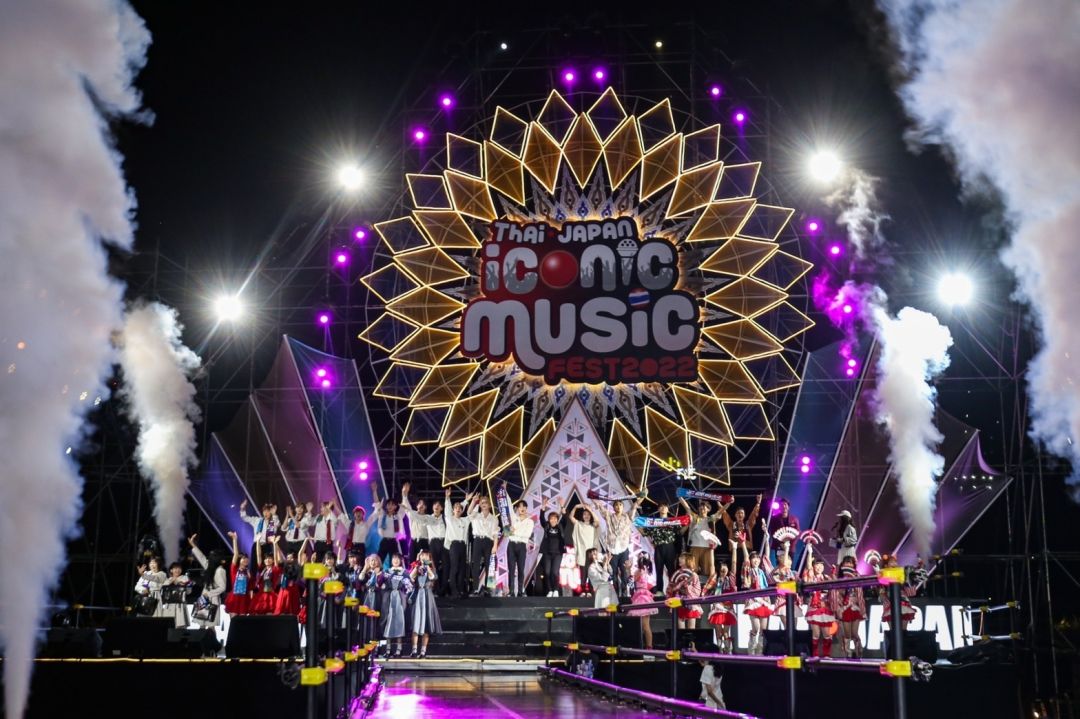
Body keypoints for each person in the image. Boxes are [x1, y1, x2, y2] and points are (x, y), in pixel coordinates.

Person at [594, 496, 643, 597]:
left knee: (624, 572)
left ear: (623, 507)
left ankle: (624, 594)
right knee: (613, 573)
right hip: (611, 549)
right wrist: (592, 497)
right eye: (616, 505)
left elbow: (635, 505)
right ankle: (615, 595)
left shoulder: (627, 516)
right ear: (613, 507)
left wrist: (642, 496)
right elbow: (600, 506)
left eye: (620, 505)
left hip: (623, 549)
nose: (618, 506)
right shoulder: (609, 516)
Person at [188, 534, 228, 631]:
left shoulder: (220, 570)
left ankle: (212, 641)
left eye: (212, 556)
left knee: (210, 625)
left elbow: (222, 587)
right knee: (201, 622)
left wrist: (209, 593)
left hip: (212, 599)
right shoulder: (209, 567)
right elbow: (201, 557)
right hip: (204, 597)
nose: (209, 558)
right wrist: (193, 545)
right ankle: (200, 641)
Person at [802, 546, 836, 658]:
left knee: (827, 634)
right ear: (813, 566)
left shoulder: (826, 577)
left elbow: (834, 590)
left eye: (821, 565)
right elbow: (808, 566)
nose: (819, 567)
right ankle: (815, 655)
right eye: (817, 565)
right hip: (814, 607)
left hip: (825, 607)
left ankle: (827, 654)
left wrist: (833, 575)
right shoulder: (811, 577)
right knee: (815, 634)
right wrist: (810, 552)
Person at [678, 496, 722, 579]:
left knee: (707, 571)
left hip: (707, 548)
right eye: (700, 507)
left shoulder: (711, 519)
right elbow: (686, 507)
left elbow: (721, 511)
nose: (702, 509)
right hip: (695, 546)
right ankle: (692, 585)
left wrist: (729, 503)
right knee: (692, 569)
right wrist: (680, 497)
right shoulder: (695, 517)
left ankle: (706, 586)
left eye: (704, 507)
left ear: (708, 509)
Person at [640, 503, 679, 595]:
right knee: (658, 570)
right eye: (661, 506)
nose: (663, 508)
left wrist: (688, 524)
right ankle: (660, 591)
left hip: (669, 547)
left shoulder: (672, 521)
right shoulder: (654, 522)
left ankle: (674, 590)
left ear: (668, 509)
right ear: (658, 509)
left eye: (665, 506)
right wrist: (636, 525)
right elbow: (645, 533)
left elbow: (680, 532)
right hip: (658, 548)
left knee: (671, 570)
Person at [409, 549, 442, 658]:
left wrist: (428, 567)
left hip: (427, 596)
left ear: (429, 558)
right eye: (422, 555)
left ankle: (423, 651)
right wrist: (417, 565)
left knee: (426, 624)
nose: (424, 557)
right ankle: (414, 650)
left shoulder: (431, 568)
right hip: (418, 595)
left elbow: (433, 577)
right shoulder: (416, 567)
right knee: (416, 622)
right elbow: (411, 577)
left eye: (426, 556)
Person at [833, 555, 867, 658]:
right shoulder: (839, 578)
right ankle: (847, 653)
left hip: (855, 608)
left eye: (850, 563)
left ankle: (859, 651)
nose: (848, 564)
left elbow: (860, 594)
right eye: (846, 562)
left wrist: (861, 608)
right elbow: (837, 594)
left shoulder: (857, 576)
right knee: (847, 634)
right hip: (844, 608)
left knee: (855, 633)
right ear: (842, 565)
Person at [467, 492, 499, 596]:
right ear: (480, 505)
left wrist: (495, 545)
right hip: (477, 541)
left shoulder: (494, 518)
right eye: (482, 503)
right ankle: (475, 589)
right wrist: (474, 501)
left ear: (489, 505)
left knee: (489, 565)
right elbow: (469, 512)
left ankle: (487, 589)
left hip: (488, 541)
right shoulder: (476, 515)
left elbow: (495, 533)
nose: (484, 504)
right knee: (475, 565)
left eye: (486, 502)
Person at [382, 553, 413, 658]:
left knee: (400, 622)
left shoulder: (404, 572)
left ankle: (399, 649)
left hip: (400, 598)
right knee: (388, 621)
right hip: (389, 598)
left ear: (400, 561)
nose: (395, 560)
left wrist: (405, 593)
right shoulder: (387, 572)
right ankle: (388, 649)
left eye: (397, 559)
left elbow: (410, 587)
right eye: (394, 558)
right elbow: (381, 583)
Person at [504, 495, 536, 597]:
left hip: (522, 546)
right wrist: (505, 492)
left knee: (521, 569)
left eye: (523, 506)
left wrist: (514, 530)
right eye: (519, 506)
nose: (521, 508)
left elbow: (527, 534)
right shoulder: (514, 518)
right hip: (511, 545)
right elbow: (509, 506)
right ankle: (511, 591)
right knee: (511, 569)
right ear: (517, 509)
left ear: (526, 508)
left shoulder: (530, 521)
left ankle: (520, 591)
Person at [443, 488, 472, 598]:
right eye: (456, 508)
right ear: (453, 510)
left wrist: (469, 501)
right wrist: (447, 498)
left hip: (463, 545)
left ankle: (461, 590)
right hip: (454, 545)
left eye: (460, 508)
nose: (458, 509)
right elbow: (447, 509)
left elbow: (471, 515)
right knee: (454, 568)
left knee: (462, 568)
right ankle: (453, 590)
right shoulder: (450, 519)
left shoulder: (465, 520)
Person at [721, 494, 762, 570]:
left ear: (744, 515)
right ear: (735, 515)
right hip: (735, 551)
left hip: (747, 550)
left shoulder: (748, 524)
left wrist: (758, 503)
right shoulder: (731, 524)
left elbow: (754, 514)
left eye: (742, 513)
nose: (740, 514)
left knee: (747, 570)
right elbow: (724, 513)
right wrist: (718, 502)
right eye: (738, 513)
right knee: (735, 570)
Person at [742, 551, 771, 655]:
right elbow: (747, 583)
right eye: (753, 558)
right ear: (750, 560)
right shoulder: (748, 571)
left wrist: (767, 543)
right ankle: (751, 649)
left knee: (763, 629)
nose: (756, 560)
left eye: (758, 558)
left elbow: (767, 557)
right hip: (753, 599)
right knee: (756, 627)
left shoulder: (762, 571)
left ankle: (760, 652)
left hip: (764, 599)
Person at [626, 553, 658, 650]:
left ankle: (647, 648)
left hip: (641, 598)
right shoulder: (646, 571)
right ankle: (647, 647)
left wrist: (628, 569)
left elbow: (630, 582)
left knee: (644, 626)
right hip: (644, 596)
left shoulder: (640, 571)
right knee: (645, 626)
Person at [706, 558, 738, 654]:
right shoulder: (715, 580)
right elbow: (711, 566)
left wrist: (734, 550)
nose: (724, 570)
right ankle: (720, 650)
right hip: (717, 608)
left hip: (728, 608)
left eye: (725, 567)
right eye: (721, 568)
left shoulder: (731, 579)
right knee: (719, 632)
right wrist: (711, 551)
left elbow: (734, 563)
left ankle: (728, 650)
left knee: (726, 632)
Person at [879, 554, 917, 631]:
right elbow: (881, 596)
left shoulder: (902, 574)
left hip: (903, 605)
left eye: (895, 562)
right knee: (892, 632)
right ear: (886, 565)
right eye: (891, 562)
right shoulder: (882, 576)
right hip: (889, 606)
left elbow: (912, 593)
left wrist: (910, 578)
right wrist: (882, 595)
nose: (894, 564)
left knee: (903, 631)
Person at [568, 503, 601, 590]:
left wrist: (590, 509)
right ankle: (583, 592)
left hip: (591, 554)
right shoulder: (579, 524)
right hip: (582, 554)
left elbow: (597, 521)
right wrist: (575, 506)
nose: (586, 516)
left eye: (588, 514)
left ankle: (591, 593)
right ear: (582, 516)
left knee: (592, 575)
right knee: (583, 576)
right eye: (584, 514)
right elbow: (571, 517)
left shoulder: (593, 526)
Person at [538, 497, 566, 597]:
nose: (553, 520)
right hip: (547, 553)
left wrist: (562, 506)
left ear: (557, 520)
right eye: (551, 518)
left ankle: (556, 590)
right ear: (549, 520)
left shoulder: (561, 526)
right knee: (547, 572)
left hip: (558, 553)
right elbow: (541, 518)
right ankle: (550, 590)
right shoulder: (546, 526)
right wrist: (543, 506)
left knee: (555, 572)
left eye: (555, 518)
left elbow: (565, 517)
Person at [667, 552, 703, 630]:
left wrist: (688, 587)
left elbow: (697, 590)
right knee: (681, 627)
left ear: (688, 560)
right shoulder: (677, 574)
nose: (679, 559)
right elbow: (671, 587)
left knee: (691, 627)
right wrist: (676, 587)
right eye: (680, 557)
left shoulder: (693, 575)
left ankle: (691, 638)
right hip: (679, 601)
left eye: (682, 558)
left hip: (691, 602)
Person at [250, 536, 283, 615]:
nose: (267, 560)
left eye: (269, 558)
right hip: (260, 595)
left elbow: (276, 558)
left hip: (270, 596)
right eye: (266, 559)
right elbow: (258, 555)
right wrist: (258, 541)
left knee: (269, 615)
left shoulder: (275, 569)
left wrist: (274, 544)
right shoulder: (262, 569)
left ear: (272, 560)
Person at [273, 538, 305, 616]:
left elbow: (300, 553)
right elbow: (280, 556)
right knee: (281, 610)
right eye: (288, 558)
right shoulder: (284, 566)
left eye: (291, 558)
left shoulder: (297, 566)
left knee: (293, 611)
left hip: (293, 590)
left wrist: (306, 540)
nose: (289, 559)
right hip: (284, 590)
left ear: (294, 559)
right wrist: (275, 544)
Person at [224, 530, 252, 617]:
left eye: (247, 559)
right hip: (234, 598)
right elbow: (236, 554)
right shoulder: (234, 569)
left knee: (243, 623)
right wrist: (234, 539)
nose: (245, 560)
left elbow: (250, 588)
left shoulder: (248, 572)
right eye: (243, 558)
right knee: (234, 622)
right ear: (239, 560)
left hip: (244, 599)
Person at [372, 492, 406, 562]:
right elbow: (377, 505)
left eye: (392, 504)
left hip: (393, 541)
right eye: (388, 504)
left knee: (394, 561)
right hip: (384, 540)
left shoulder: (398, 516)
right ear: (386, 506)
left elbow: (403, 508)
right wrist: (374, 491)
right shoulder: (382, 514)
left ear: (395, 506)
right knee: (379, 560)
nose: (390, 506)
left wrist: (404, 494)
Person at [158, 561, 193, 627]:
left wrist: (178, 582)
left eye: (179, 568)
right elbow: (163, 587)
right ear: (171, 570)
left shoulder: (185, 578)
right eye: (175, 568)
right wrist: (171, 580)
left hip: (180, 604)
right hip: (170, 605)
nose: (177, 570)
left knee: (180, 625)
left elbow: (188, 592)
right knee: (169, 624)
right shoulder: (168, 579)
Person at [767, 498, 800, 563]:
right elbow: (773, 533)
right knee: (780, 563)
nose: (784, 506)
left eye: (785, 504)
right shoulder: (775, 519)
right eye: (781, 505)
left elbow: (798, 533)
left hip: (790, 548)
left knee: (789, 564)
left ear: (788, 507)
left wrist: (791, 544)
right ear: (779, 507)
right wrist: (781, 544)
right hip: (779, 547)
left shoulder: (794, 519)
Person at [697, 646, 726, 710]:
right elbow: (702, 664)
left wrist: (719, 703)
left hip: (709, 703)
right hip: (719, 698)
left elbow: (709, 692)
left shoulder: (707, 668)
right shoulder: (718, 666)